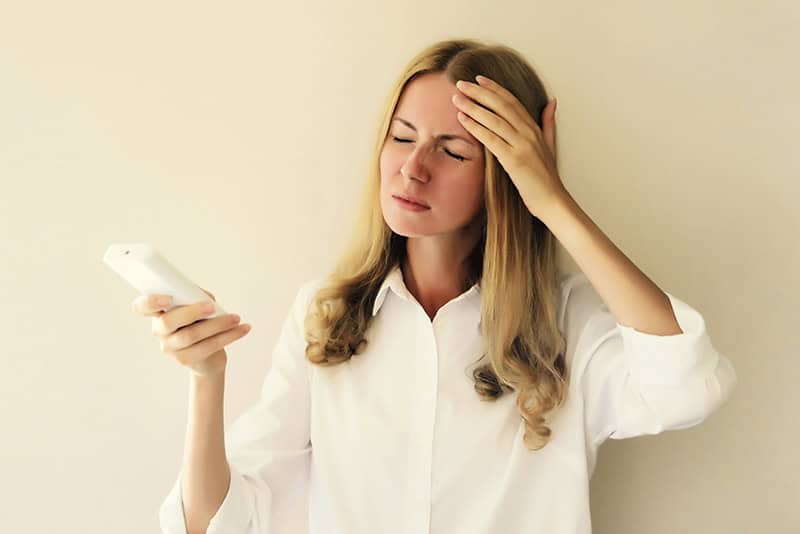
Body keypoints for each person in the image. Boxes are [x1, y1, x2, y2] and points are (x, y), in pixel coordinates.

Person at [155, 38, 738, 534]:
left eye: (453, 151)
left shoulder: (566, 322)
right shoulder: (326, 315)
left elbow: (689, 388)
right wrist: (207, 378)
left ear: (507, 177)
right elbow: (215, 523)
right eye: (401, 137)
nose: (413, 168)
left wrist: (552, 203)